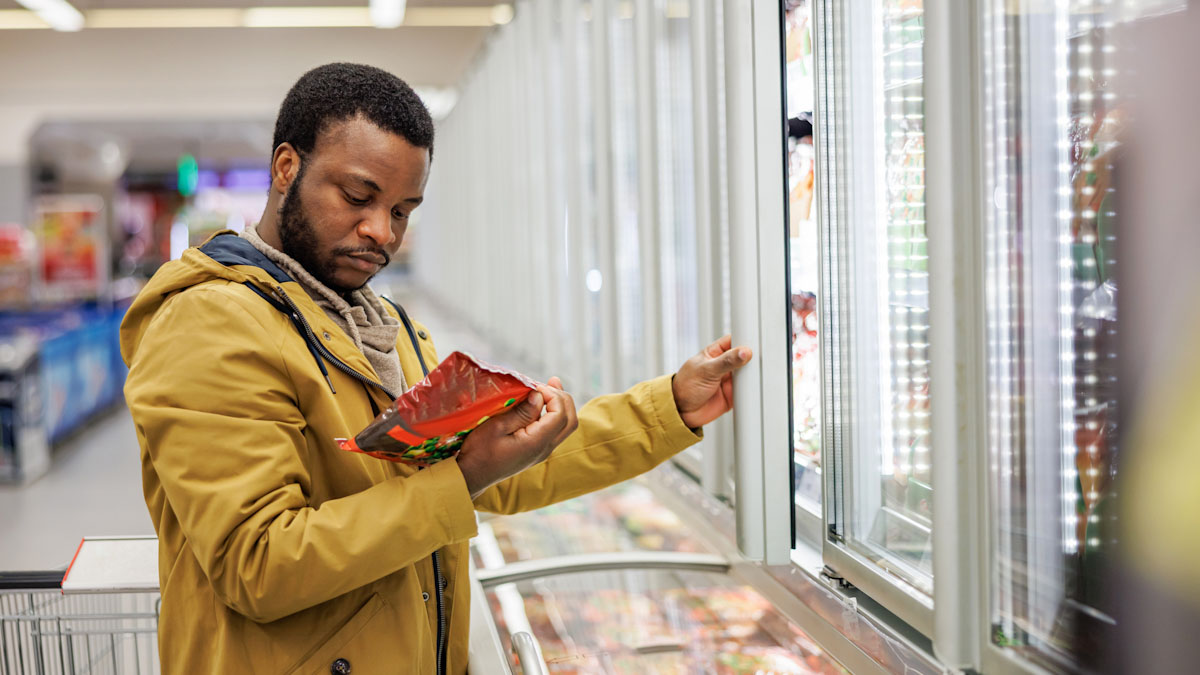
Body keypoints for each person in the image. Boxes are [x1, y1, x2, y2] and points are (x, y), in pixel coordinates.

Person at [121, 62, 752, 675]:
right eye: (359, 196)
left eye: (402, 210)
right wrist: (467, 475)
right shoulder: (209, 324)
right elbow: (257, 564)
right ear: (287, 168)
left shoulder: (381, 327)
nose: (381, 232)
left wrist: (669, 406)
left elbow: (492, 468)